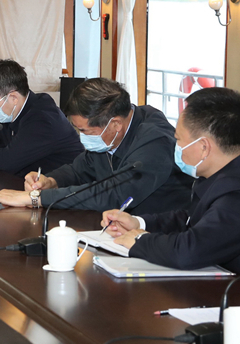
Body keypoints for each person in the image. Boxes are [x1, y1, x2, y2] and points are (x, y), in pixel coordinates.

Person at [0, 78, 192, 213]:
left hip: (163, 234)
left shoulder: (155, 141)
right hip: (118, 227)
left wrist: (36, 198)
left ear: (115, 124)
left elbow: (115, 194)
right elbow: (79, 168)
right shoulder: (110, 135)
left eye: (86, 132)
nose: (82, 138)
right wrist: (51, 181)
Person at [101, 87, 240, 271]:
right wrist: (138, 223)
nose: (176, 146)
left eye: (179, 139)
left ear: (204, 147)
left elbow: (189, 251)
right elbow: (190, 219)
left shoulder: (234, 195)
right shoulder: (216, 175)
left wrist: (140, 240)